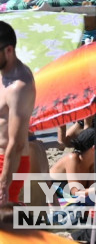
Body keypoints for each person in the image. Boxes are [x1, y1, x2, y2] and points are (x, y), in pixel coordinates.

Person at [0, 21, 35, 206]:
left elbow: (17, 142)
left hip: (8, 161)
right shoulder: (2, 73)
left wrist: (4, 184)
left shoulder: (20, 86)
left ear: (8, 50)